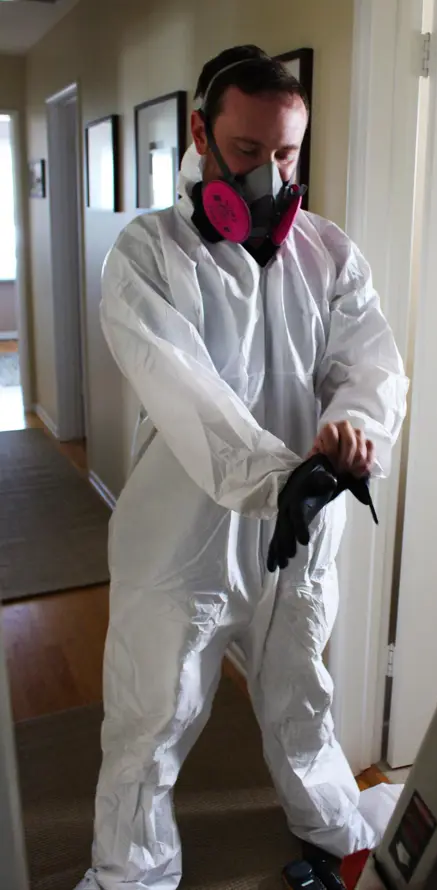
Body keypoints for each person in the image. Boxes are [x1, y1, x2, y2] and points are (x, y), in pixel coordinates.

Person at [76, 44, 408, 890]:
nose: (270, 175)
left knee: (303, 693)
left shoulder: (329, 255)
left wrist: (351, 433)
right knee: (153, 717)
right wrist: (277, 476)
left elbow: (370, 368)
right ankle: (131, 874)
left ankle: (333, 825)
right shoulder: (147, 254)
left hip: (299, 531)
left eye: (287, 154)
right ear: (202, 134)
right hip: (181, 535)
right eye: (251, 152)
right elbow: (183, 390)